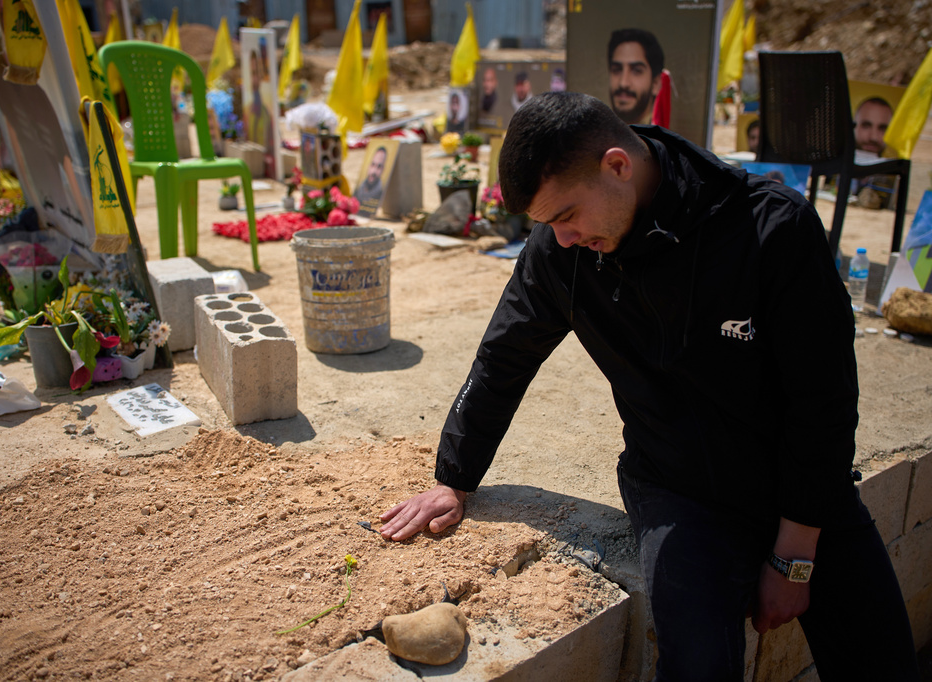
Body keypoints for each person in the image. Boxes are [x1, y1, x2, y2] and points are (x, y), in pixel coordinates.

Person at [380, 92, 920, 681]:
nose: (559, 239)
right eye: (546, 225)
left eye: (565, 216)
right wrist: (455, 478)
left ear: (618, 166)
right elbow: (503, 356)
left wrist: (794, 555)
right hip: (678, 487)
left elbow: (825, 401)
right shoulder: (562, 252)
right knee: (697, 663)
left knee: (883, 662)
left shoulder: (769, 227)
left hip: (805, 484)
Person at [608, 28, 664, 125]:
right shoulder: (593, 137)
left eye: (636, 71)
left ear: (655, 84)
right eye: (617, 70)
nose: (623, 83)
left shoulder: (665, 139)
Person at [245, 50, 274, 151]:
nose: (254, 79)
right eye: (252, 74)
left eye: (256, 74)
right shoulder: (248, 109)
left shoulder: (266, 111)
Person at [354, 146, 387, 210]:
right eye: (373, 164)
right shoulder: (357, 192)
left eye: (379, 166)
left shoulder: (380, 194)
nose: (374, 171)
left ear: (383, 169)